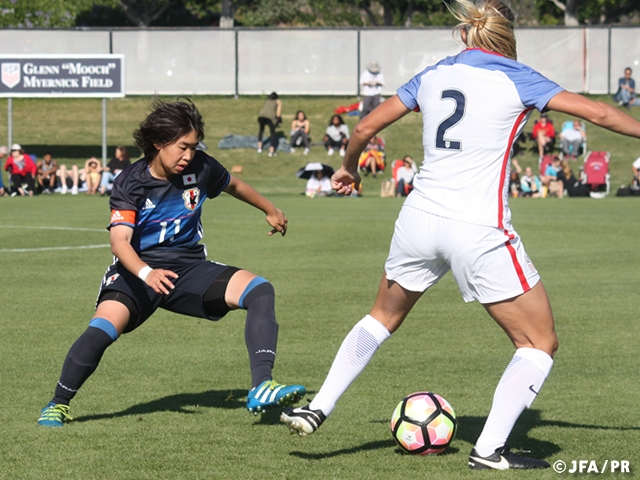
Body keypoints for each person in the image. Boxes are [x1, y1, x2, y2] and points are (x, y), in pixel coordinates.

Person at [280, 0, 640, 470]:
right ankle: (489, 450)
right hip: (477, 226)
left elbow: (365, 125)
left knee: (380, 317)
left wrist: (347, 169)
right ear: (507, 40)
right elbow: (600, 113)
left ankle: (318, 405)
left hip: (419, 219)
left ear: (468, 37)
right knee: (538, 342)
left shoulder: (431, 75)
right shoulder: (517, 75)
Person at [37, 98, 305, 427]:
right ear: (158, 143)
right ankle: (58, 403)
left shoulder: (201, 167)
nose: (188, 156)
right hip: (135, 272)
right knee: (103, 328)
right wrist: (147, 273)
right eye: (182, 147)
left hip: (188, 269)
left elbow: (233, 184)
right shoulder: (130, 182)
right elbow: (119, 242)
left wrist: (269, 209)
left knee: (260, 291)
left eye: (193, 147)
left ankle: (262, 386)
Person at [257, 92, 282, 157]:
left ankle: (259, 148)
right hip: (270, 117)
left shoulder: (267, 100)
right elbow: (278, 114)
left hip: (261, 115)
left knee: (261, 130)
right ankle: (271, 151)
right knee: (273, 133)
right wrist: (278, 120)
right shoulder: (278, 101)